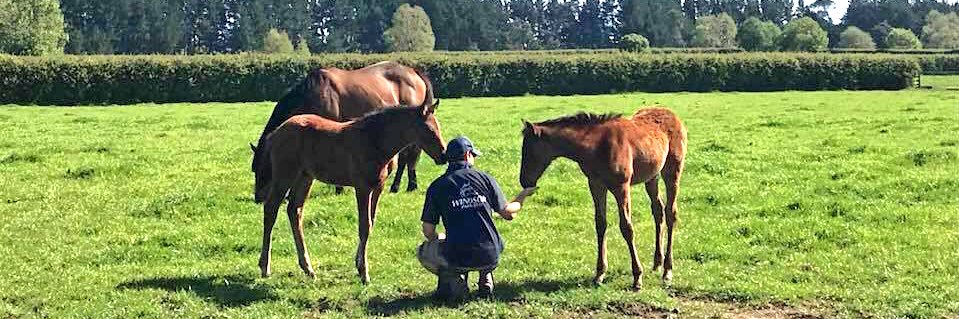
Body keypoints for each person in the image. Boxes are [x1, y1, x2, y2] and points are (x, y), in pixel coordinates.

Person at [417, 136, 534, 301]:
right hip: (490, 253)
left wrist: (440, 237)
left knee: (424, 251)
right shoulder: (485, 178)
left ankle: (456, 279)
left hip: (458, 255)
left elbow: (428, 230)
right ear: (467, 155)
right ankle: (485, 275)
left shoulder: (437, 186)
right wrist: (522, 196)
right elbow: (509, 213)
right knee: (489, 236)